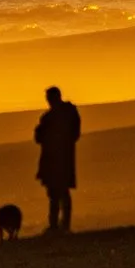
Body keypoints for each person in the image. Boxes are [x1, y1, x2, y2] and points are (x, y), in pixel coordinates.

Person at [33, 84, 81, 234]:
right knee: (58, 193)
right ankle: (60, 225)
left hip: (56, 160)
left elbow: (39, 138)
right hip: (60, 158)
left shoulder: (50, 117)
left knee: (57, 193)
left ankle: (58, 225)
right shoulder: (67, 113)